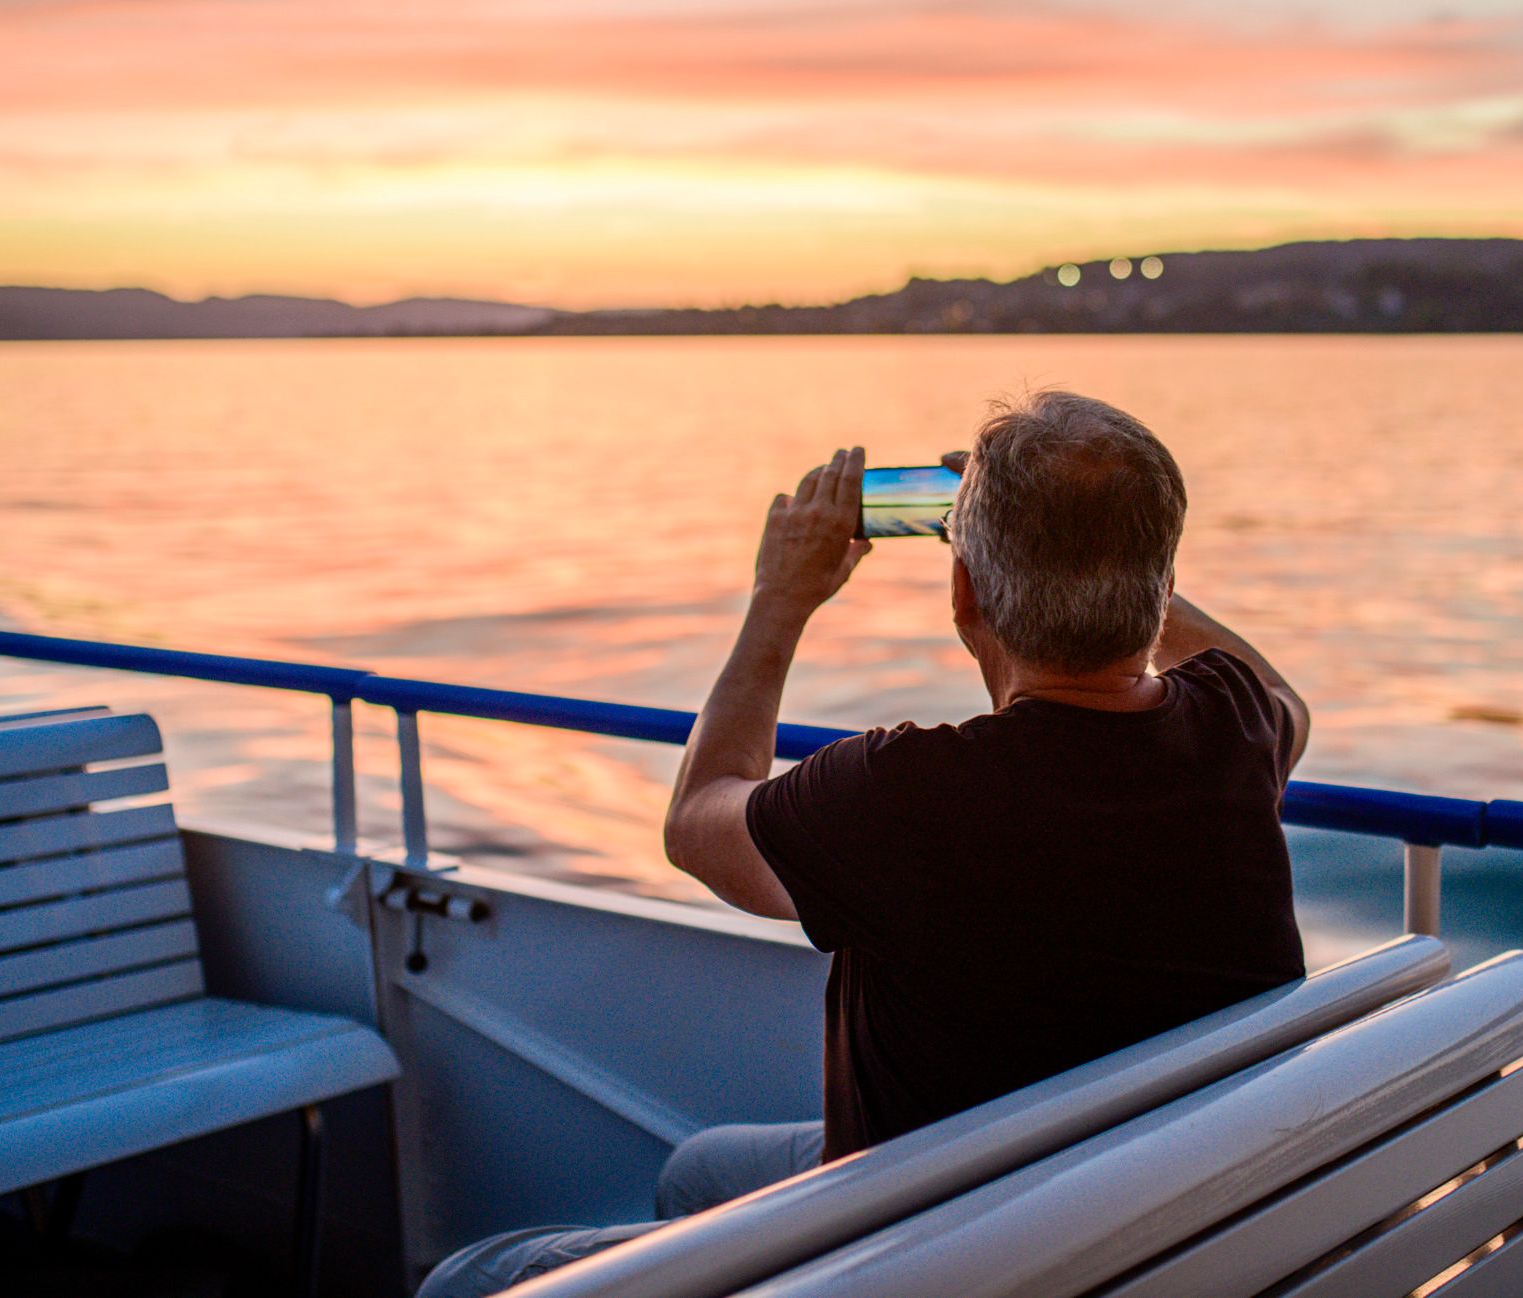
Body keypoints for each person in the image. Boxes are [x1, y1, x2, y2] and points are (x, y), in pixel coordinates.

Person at [418, 392, 1309, 1297]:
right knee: (698, 1171)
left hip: (929, 1244)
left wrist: (779, 599)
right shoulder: (1235, 728)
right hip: (1154, 1207)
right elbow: (1286, 700)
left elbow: (697, 825)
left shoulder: (900, 795)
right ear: (1159, 588)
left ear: (964, 593)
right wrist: (1111, 562)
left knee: (465, 1277)